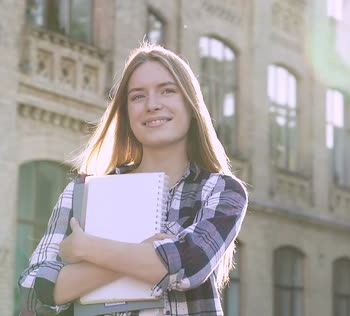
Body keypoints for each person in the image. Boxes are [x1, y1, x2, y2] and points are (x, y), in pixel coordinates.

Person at [18, 43, 248, 316]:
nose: (152, 105)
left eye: (167, 91)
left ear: (191, 104)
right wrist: (143, 254)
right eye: (138, 97)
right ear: (126, 113)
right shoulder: (83, 193)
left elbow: (188, 264)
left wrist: (86, 248)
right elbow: (34, 290)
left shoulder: (221, 191)